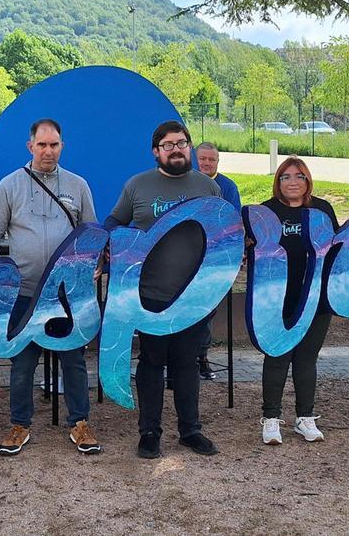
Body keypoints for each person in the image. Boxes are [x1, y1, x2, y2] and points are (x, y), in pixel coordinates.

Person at [0, 118, 102, 456]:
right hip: (24, 293)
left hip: (65, 294)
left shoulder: (78, 186)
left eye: (55, 145)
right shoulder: (9, 186)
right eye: (43, 145)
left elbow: (91, 235)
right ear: (30, 146)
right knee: (21, 363)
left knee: (73, 360)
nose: (49, 151)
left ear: (62, 146)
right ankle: (20, 424)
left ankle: (79, 422)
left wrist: (91, 267)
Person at [106, 120, 222, 459]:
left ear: (189, 147)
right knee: (152, 362)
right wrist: (121, 246)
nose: (176, 149)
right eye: (168, 145)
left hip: (194, 295)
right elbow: (114, 222)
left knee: (188, 363)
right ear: (156, 151)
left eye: (182, 143)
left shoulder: (207, 188)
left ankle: (190, 430)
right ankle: (149, 432)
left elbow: (223, 235)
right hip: (150, 293)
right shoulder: (138, 186)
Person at [258, 156, 338, 445]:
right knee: (277, 356)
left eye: (299, 176)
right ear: (278, 182)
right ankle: (270, 419)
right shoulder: (266, 212)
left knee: (306, 358)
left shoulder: (322, 209)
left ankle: (305, 418)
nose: (293, 182)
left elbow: (335, 252)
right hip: (277, 299)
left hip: (316, 298)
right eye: (286, 177)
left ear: (307, 181)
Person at [194, 142, 242, 380]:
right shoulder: (188, 183)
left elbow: (233, 223)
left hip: (214, 259)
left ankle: (202, 357)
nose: (206, 163)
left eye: (211, 160)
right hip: (187, 256)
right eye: (202, 159)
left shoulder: (227, 187)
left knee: (207, 310)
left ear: (217, 162)